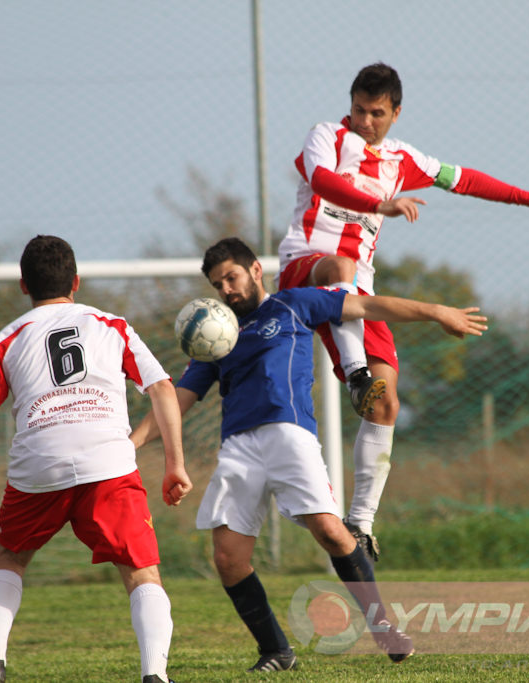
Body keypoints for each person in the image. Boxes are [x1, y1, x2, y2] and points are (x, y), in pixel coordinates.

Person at [132, 237, 488, 672]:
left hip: (290, 434)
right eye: (217, 283)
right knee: (227, 558)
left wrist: (438, 312)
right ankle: (277, 652)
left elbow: (369, 308)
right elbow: (176, 402)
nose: (226, 289)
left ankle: (382, 627)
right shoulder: (216, 338)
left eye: (232, 277)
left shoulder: (293, 305)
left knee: (332, 533)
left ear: (255, 272)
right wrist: (128, 445)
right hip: (239, 446)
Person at [276, 61, 529, 560]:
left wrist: (526, 198)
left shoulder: (403, 159)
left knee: (386, 402)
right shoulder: (325, 135)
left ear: (396, 112)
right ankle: (353, 374)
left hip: (360, 288)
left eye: (375, 113)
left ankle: (361, 523)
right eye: (357, 110)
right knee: (340, 266)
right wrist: (381, 206)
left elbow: (461, 179)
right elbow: (326, 183)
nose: (364, 121)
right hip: (307, 267)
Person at [0, 235, 191, 683]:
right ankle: (154, 675)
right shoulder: (111, 325)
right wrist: (175, 462)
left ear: (24, 286)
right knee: (141, 571)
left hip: (38, 464)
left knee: (8, 558)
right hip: (108, 462)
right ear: (76, 281)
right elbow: (160, 389)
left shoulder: (6, 340)